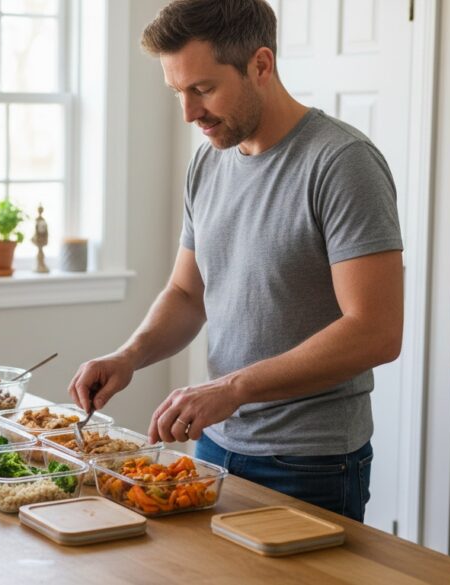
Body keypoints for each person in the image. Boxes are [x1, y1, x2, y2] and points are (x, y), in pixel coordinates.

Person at [67, 0, 403, 523]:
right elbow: (187, 293)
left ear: (261, 66)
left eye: (202, 89)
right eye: (178, 92)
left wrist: (232, 388)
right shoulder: (209, 158)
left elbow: (376, 331)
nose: (189, 113)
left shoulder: (341, 164)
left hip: (311, 462)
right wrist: (128, 356)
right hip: (216, 447)